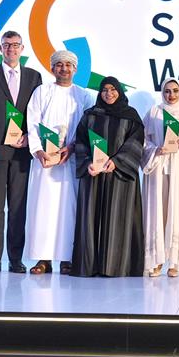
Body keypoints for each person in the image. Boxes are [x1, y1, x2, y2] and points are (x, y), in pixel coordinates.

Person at [0, 30, 42, 273]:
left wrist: (30, 138)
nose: (11, 48)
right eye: (6, 45)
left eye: (15, 44)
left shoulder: (34, 76)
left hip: (22, 153)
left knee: (18, 207)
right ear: (0, 49)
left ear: (22, 48)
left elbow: (37, 112)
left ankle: (15, 259)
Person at [25, 49, 95, 274]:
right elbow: (32, 122)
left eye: (68, 65)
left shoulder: (83, 95)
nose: (64, 69)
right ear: (52, 68)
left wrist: (72, 147)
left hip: (71, 160)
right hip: (45, 161)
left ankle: (67, 258)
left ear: (75, 69)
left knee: (69, 209)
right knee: (43, 208)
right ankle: (43, 259)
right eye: (59, 65)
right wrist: (38, 150)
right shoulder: (42, 91)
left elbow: (87, 126)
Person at [71, 77, 146, 277]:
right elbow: (81, 141)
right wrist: (88, 163)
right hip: (94, 176)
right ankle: (90, 266)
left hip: (120, 176)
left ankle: (115, 267)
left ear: (120, 91)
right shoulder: (90, 115)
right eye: (104, 90)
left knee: (118, 218)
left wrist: (117, 162)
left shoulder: (131, 116)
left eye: (113, 89)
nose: (109, 93)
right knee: (91, 218)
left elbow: (136, 142)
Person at [142, 78, 179, 277]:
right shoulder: (154, 112)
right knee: (158, 212)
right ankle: (156, 260)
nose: (171, 95)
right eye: (167, 91)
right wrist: (155, 150)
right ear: (162, 92)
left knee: (177, 212)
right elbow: (143, 139)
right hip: (158, 167)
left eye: (175, 90)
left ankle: (175, 261)